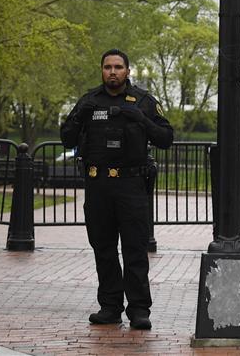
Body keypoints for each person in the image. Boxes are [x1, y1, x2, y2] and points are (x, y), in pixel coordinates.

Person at [60, 49, 173, 330]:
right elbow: (66, 138)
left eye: (118, 67)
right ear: (102, 71)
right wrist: (78, 118)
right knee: (104, 248)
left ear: (127, 71)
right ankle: (110, 306)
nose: (113, 72)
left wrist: (141, 120)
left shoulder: (144, 102)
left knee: (135, 248)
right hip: (98, 185)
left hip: (131, 185)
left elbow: (166, 138)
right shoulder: (89, 101)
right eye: (108, 67)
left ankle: (138, 309)